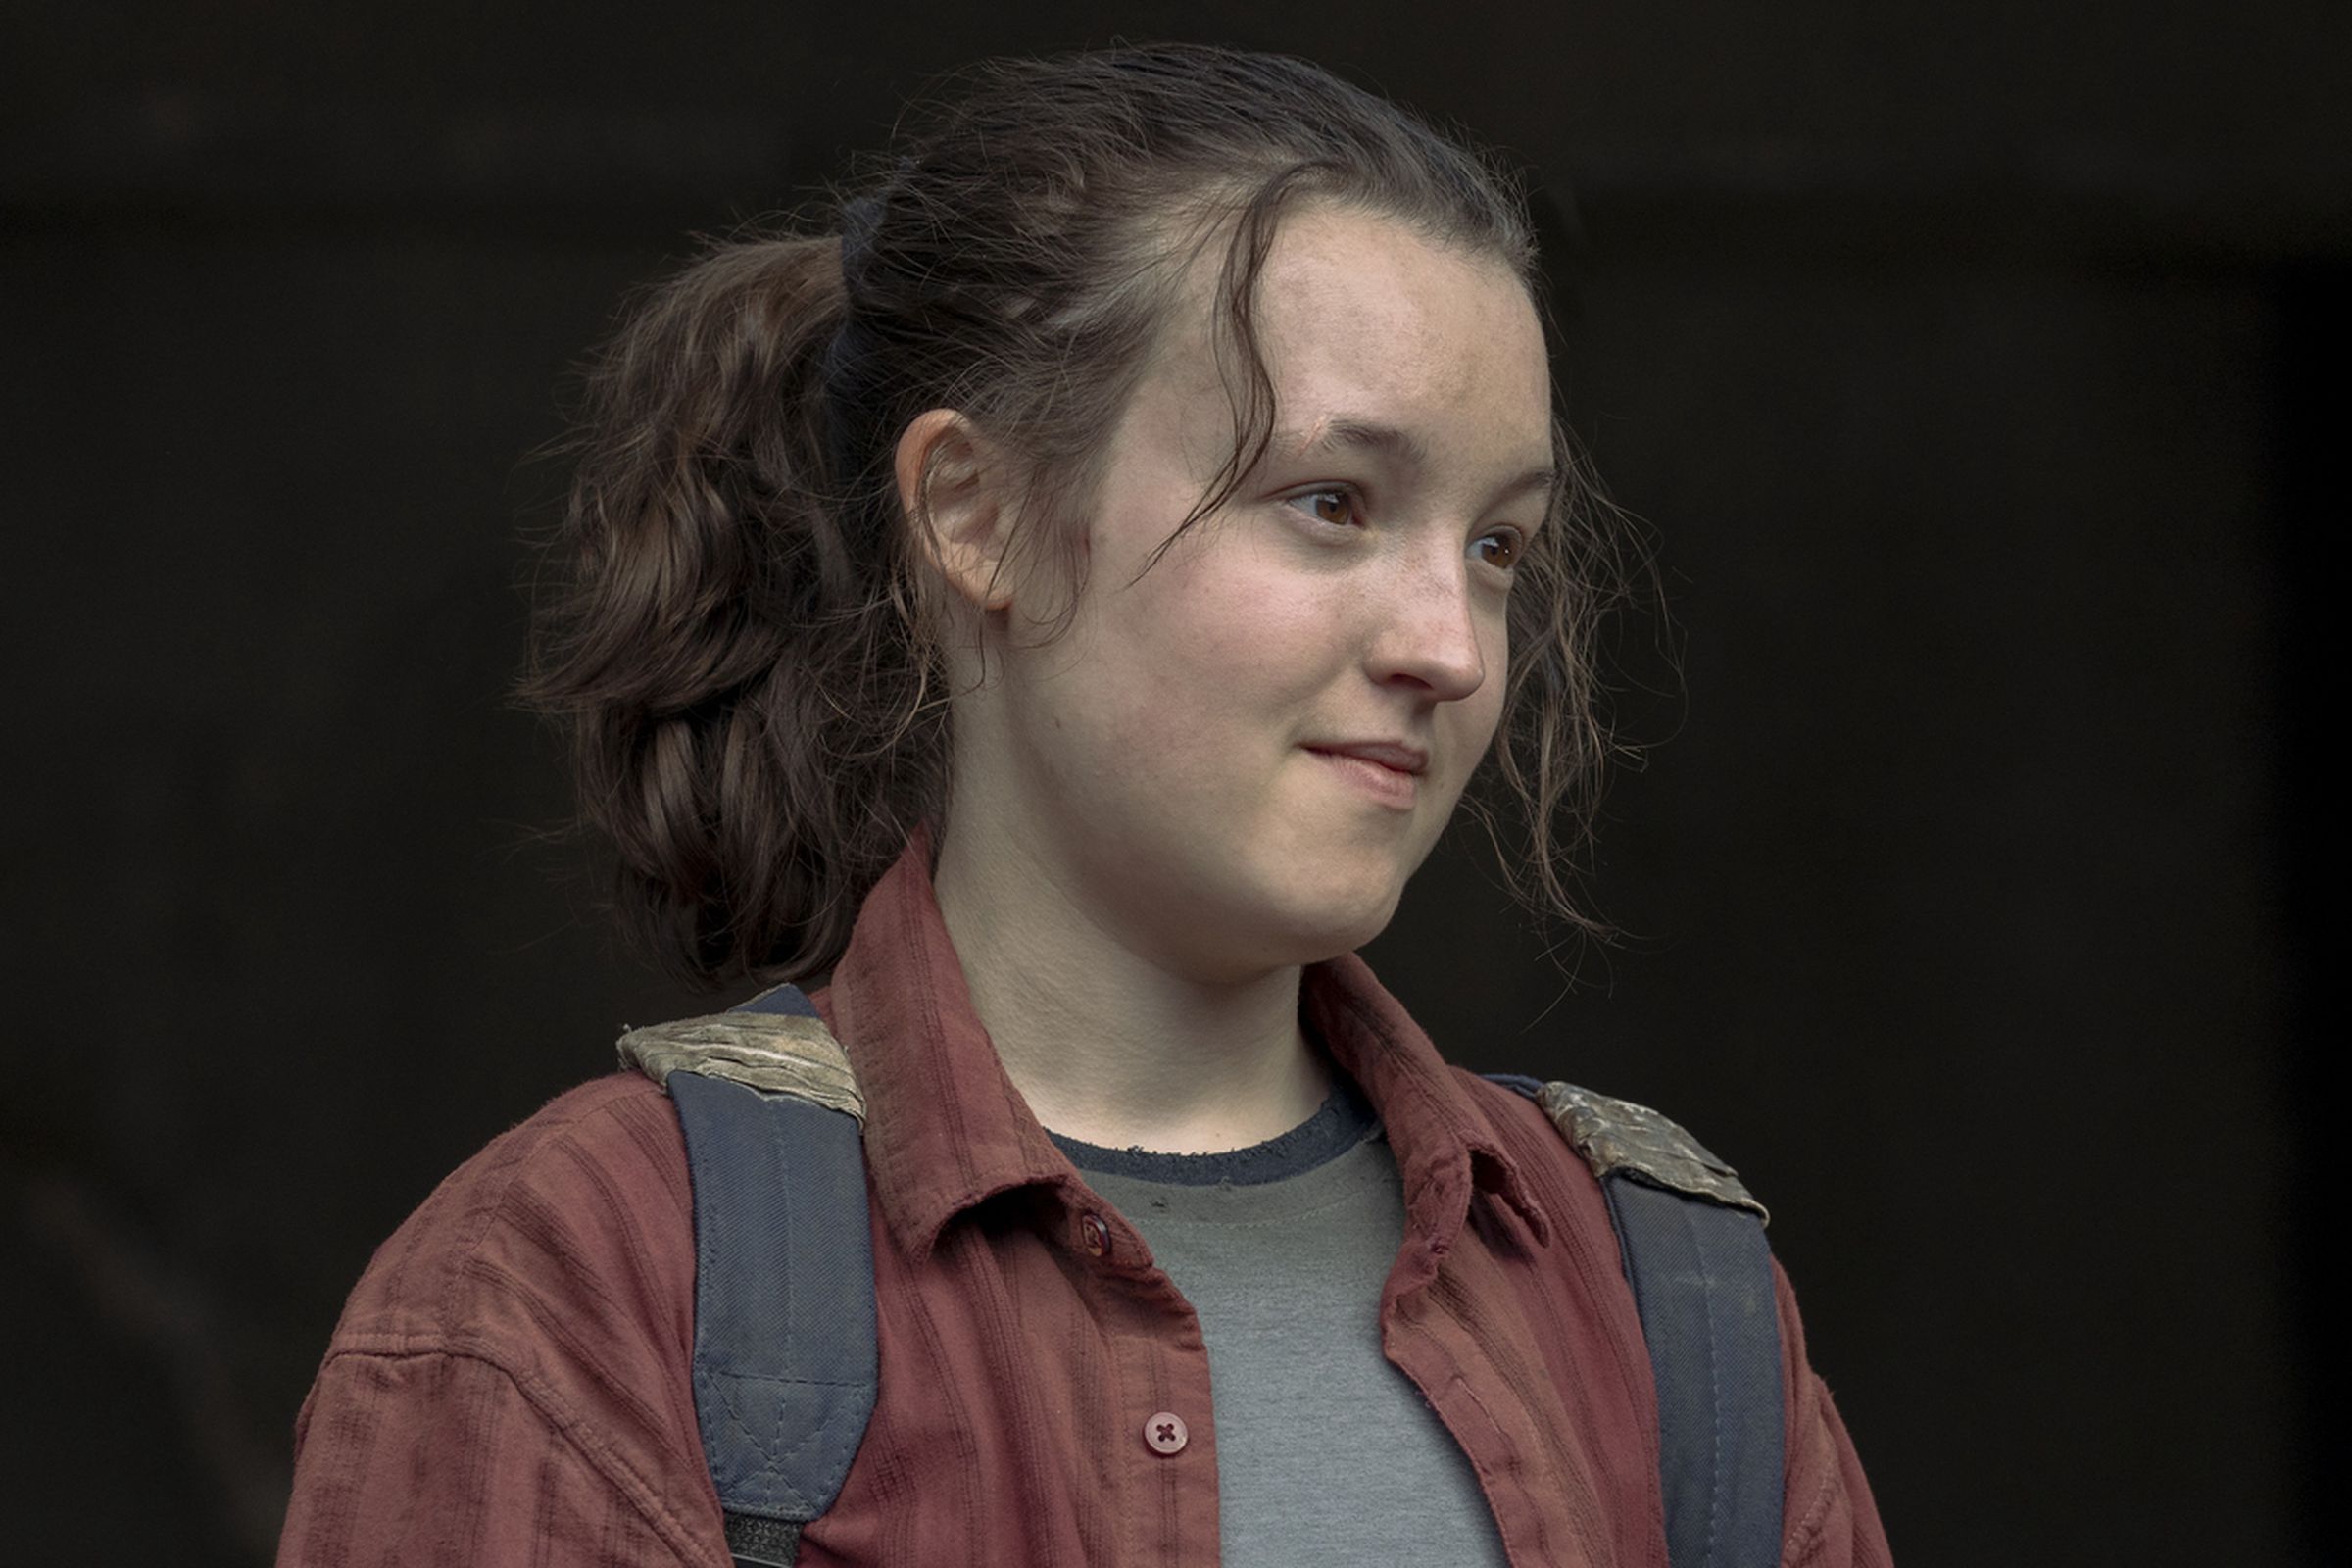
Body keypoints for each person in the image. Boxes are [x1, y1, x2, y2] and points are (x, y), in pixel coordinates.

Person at [276, 41, 1889, 1568]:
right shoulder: (592, 1280)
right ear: (975, 513)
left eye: (1497, 546)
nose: (1452, 647)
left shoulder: (1665, 1297)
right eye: (1330, 503)